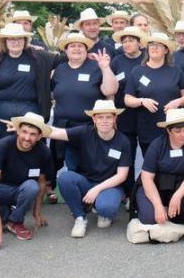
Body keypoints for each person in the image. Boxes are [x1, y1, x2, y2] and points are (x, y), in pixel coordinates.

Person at [0, 112, 53, 251]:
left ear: (39, 136)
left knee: (32, 187)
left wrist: (36, 213)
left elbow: (42, 183)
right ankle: (2, 220)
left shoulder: (44, 151)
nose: (27, 137)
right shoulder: (3, 145)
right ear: (18, 130)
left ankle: (15, 221)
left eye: (33, 134)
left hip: (21, 190)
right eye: (24, 131)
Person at [48, 101, 131, 237]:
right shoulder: (85, 132)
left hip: (110, 186)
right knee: (65, 178)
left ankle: (100, 208)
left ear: (115, 118)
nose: (104, 121)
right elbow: (57, 132)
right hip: (87, 182)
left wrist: (97, 189)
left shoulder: (123, 141)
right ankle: (80, 217)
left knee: (107, 208)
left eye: (108, 117)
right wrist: (29, 128)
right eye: (100, 117)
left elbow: (121, 176)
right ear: (94, 119)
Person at [0, 23, 60, 145]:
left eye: (19, 38)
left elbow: (63, 60)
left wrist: (89, 56)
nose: (15, 42)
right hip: (2, 114)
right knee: (4, 151)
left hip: (30, 114)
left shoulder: (38, 56)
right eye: (11, 39)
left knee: (31, 150)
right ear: (5, 41)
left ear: (25, 40)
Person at [50, 32, 117, 172]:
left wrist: (105, 67)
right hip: (63, 127)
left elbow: (110, 90)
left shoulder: (96, 67)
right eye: (72, 46)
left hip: (88, 128)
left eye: (80, 46)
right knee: (70, 166)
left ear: (86, 50)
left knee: (88, 166)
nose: (76, 49)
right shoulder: (59, 70)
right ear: (66, 50)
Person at [136, 108, 184, 227]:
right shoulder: (157, 145)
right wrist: (157, 206)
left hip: (180, 187)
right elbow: (147, 177)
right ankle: (162, 211)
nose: (183, 135)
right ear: (168, 130)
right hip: (156, 186)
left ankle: (179, 217)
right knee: (149, 219)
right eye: (178, 131)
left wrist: (177, 196)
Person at [124, 32, 184, 154]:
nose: (154, 47)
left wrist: (178, 101)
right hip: (147, 130)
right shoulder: (138, 71)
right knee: (151, 168)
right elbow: (127, 99)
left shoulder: (175, 70)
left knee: (173, 165)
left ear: (165, 50)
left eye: (159, 45)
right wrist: (141, 101)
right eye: (151, 44)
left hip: (174, 129)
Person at [109, 26, 146, 195]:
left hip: (146, 117)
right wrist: (112, 112)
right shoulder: (117, 61)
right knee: (127, 156)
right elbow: (111, 89)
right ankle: (129, 192)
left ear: (139, 43)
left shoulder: (147, 59)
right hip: (124, 116)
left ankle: (146, 189)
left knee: (149, 155)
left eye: (131, 40)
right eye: (124, 41)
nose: (127, 44)